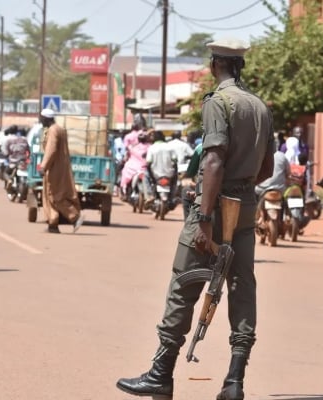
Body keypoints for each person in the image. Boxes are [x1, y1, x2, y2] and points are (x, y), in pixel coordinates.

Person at [116, 38, 275, 400]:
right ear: (240, 66)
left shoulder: (218, 103)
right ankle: (235, 381)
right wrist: (242, 185)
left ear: (214, 65)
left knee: (183, 285)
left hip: (214, 207)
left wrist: (204, 217)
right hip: (246, 207)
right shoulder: (261, 108)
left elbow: (214, 161)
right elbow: (266, 166)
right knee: (242, 288)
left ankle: (160, 374)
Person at [38, 108, 84, 234]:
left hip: (54, 168)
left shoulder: (53, 130)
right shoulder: (59, 129)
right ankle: (53, 224)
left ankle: (74, 217)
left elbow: (51, 150)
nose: (40, 120)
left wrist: (43, 166)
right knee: (51, 195)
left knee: (55, 195)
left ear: (46, 118)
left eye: (41, 118)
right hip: (59, 167)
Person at [146, 130, 178, 205]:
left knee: (147, 178)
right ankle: (172, 197)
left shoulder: (152, 148)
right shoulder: (170, 147)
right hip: (169, 174)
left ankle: (150, 195)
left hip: (155, 174)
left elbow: (148, 162)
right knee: (174, 183)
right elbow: (175, 160)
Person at [120, 132, 151, 196]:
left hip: (132, 168)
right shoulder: (150, 147)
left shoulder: (133, 147)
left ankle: (124, 188)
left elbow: (127, 154)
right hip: (145, 167)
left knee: (124, 173)